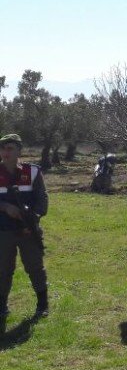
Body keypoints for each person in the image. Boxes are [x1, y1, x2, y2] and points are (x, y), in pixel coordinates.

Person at [0, 134, 49, 318]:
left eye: (10, 148)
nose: (5, 152)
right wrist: (5, 207)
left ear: (19, 151)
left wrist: (33, 220)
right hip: (3, 231)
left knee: (35, 267)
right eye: (3, 148)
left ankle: (42, 304)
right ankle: (2, 306)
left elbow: (42, 199)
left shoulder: (33, 172)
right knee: (3, 269)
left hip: (28, 230)